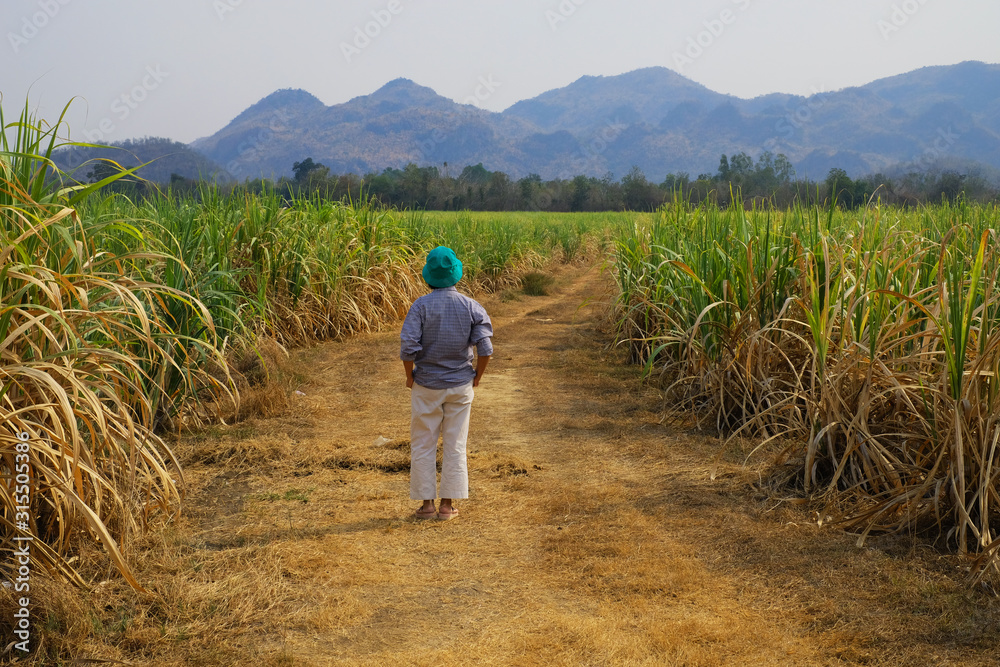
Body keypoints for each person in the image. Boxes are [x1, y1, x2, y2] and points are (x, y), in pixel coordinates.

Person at [400, 246, 493, 521]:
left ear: (428, 276)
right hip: (460, 384)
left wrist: (409, 376)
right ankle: (447, 506)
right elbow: (485, 348)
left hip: (426, 384)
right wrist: (478, 375)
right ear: (456, 275)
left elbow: (408, 348)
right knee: (455, 443)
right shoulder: (471, 306)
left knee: (423, 443)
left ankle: (427, 505)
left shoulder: (420, 306)